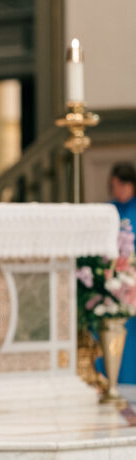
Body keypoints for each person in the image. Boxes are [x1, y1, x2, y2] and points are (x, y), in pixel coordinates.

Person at [108, 162, 136, 384]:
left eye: (121, 185)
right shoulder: (109, 211)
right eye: (115, 185)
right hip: (115, 278)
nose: (118, 190)